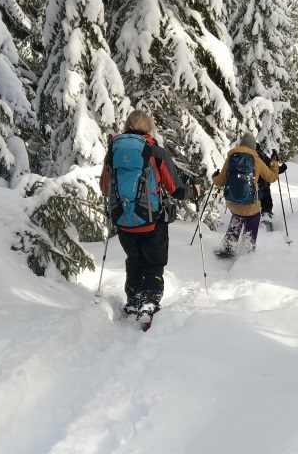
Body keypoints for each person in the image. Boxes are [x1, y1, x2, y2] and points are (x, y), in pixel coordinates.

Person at [101, 110, 200, 328]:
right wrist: (194, 191)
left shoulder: (114, 151)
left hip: (123, 221)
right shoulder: (156, 152)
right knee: (154, 264)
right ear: (149, 128)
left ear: (127, 126)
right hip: (151, 221)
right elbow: (175, 190)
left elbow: (104, 187)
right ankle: (149, 303)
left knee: (133, 260)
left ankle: (133, 302)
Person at [211, 132, 279, 257]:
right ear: (253, 146)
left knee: (237, 216)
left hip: (233, 202)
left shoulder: (231, 158)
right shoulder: (256, 160)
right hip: (250, 205)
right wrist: (274, 163)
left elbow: (220, 181)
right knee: (252, 219)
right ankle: (247, 251)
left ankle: (227, 247)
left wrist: (214, 177)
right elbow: (272, 177)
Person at [255, 143, 287, 231]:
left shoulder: (244, 157)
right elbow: (272, 170)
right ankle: (266, 221)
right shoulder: (262, 156)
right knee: (266, 205)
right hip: (263, 188)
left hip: (248, 189)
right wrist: (281, 168)